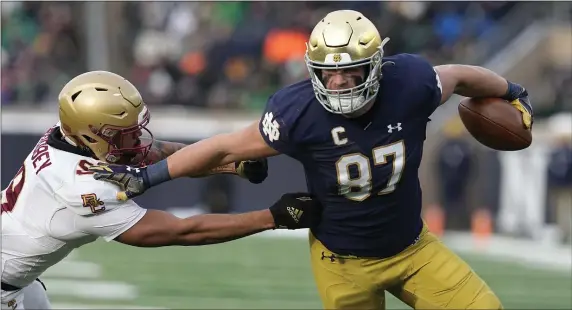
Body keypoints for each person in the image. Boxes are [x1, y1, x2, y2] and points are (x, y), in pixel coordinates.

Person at [90, 10, 533, 310]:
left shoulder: (411, 81)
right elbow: (224, 147)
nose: (339, 83)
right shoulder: (297, 111)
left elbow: (460, 76)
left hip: (413, 248)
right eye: (329, 73)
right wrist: (147, 177)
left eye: (351, 71)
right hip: (341, 263)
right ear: (313, 71)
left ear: (376, 65)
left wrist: (510, 90)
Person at [0, 71, 321, 310]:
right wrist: (272, 218)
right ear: (93, 134)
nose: (138, 141)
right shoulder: (82, 189)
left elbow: (154, 152)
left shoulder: (68, 137)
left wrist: (230, 166)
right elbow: (182, 231)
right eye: (125, 135)